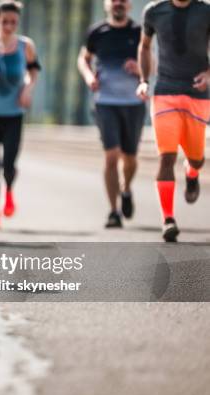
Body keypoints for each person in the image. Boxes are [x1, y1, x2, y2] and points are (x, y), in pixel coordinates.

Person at [138, 0, 210, 242]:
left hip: (197, 95)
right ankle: (168, 219)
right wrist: (144, 80)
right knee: (166, 157)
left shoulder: (206, 10)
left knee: (196, 158)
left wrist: (209, 74)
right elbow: (144, 46)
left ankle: (192, 172)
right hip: (165, 93)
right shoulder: (154, 11)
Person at [77, 0, 146, 229]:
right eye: (114, 0)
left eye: (123, 1)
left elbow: (152, 63)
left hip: (133, 103)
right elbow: (83, 59)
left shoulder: (139, 31)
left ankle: (125, 190)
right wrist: (89, 77)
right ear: (107, 4)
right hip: (105, 102)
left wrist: (140, 69)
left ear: (128, 5)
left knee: (130, 158)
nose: (119, 3)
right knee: (111, 156)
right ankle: (113, 211)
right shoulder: (97, 32)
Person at [0, 0, 39, 231]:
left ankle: (9, 191)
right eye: (5, 21)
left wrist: (27, 88)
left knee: (8, 164)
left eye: (13, 22)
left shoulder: (25, 45)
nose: (9, 26)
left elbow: (33, 70)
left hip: (14, 112)